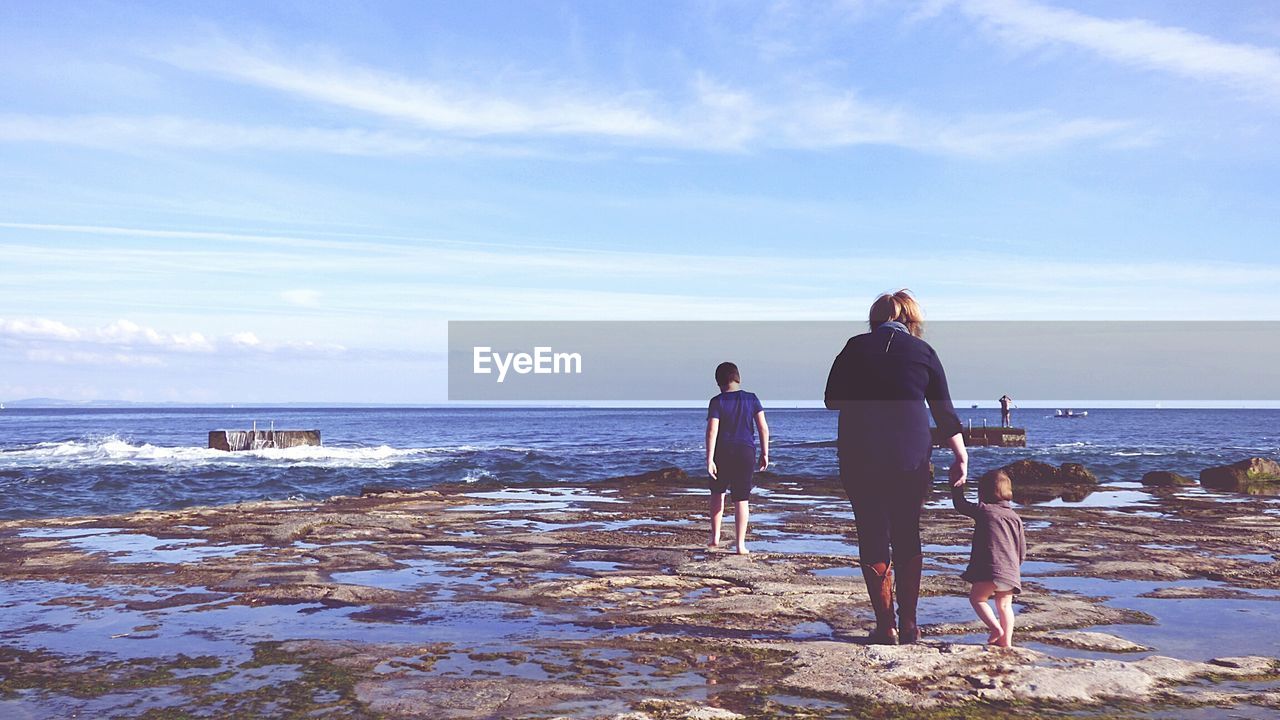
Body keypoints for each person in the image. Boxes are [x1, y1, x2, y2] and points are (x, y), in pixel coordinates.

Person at [825, 289, 967, 644]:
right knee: (907, 532)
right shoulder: (924, 352)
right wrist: (960, 456)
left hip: (860, 453)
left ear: (874, 320)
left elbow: (831, 401)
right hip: (911, 456)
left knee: (872, 534)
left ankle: (885, 626)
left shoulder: (854, 347)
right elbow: (944, 412)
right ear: (912, 321)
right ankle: (910, 625)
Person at [951, 469, 1026, 647]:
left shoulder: (984, 510)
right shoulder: (1015, 518)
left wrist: (957, 485)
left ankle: (994, 628)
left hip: (990, 569)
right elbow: (1022, 549)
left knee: (977, 599)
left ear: (982, 493)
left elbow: (960, 505)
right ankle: (1005, 643)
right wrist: (1014, 567)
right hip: (1010, 572)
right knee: (1005, 607)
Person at [706, 361, 768, 555]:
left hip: (722, 451)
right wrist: (765, 453)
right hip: (745, 451)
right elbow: (763, 428)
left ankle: (715, 537)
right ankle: (740, 545)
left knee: (718, 493)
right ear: (737, 378)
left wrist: (709, 459)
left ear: (718, 382)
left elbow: (712, 431)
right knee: (741, 498)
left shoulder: (717, 401)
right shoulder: (751, 399)